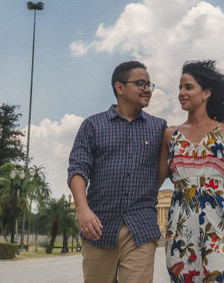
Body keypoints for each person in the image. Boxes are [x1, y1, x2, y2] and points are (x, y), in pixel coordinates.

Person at [68, 60, 167, 283]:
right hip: (99, 228)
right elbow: (77, 169)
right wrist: (83, 210)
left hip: (140, 228)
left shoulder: (160, 128)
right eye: (140, 83)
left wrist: (145, 191)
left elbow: (162, 171)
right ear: (119, 88)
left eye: (150, 84)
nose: (147, 89)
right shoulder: (92, 125)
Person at [159, 60, 224, 283]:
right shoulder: (170, 135)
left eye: (188, 87)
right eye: (180, 88)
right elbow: (154, 182)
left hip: (219, 220)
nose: (181, 93)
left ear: (206, 92)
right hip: (181, 225)